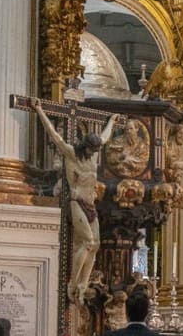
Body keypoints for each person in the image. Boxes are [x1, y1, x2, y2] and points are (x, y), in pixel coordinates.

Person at [31, 97, 120, 304]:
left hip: (90, 205)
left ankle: (83, 284)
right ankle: (72, 283)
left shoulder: (94, 156)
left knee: (95, 244)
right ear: (85, 146)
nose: (95, 153)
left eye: (96, 151)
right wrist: (40, 111)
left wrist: (112, 122)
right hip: (77, 202)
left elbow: (105, 138)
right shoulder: (72, 154)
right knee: (87, 242)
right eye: (92, 150)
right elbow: (55, 137)